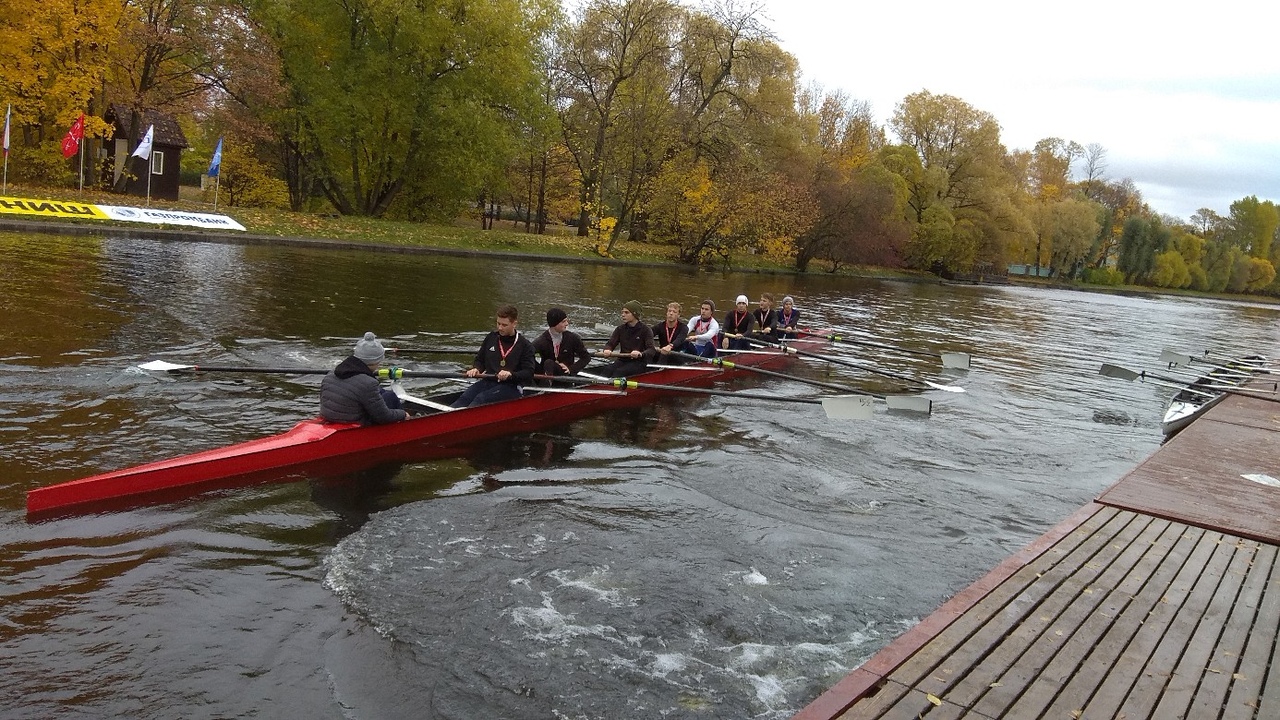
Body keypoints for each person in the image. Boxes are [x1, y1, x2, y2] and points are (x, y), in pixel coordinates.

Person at [451, 305, 537, 408]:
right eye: (498, 323)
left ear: (514, 324)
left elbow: (528, 372)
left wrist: (511, 374)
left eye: (504, 325)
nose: (500, 328)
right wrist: (476, 369)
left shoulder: (525, 346)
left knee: (481, 399)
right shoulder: (491, 338)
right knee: (464, 398)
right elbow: (480, 360)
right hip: (489, 380)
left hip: (512, 386)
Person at [320, 332, 408, 425]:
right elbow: (383, 417)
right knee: (391, 396)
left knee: (381, 391)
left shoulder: (331, 374)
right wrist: (403, 414)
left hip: (329, 417)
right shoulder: (368, 383)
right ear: (376, 361)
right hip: (354, 422)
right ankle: (404, 425)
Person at [531, 307, 592, 377]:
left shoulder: (572, 338)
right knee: (549, 363)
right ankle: (545, 382)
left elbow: (586, 357)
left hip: (565, 376)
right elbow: (527, 355)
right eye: (563, 322)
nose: (567, 324)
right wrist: (540, 371)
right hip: (547, 373)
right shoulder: (542, 341)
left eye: (566, 321)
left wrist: (571, 369)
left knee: (549, 363)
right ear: (554, 324)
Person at [600, 300, 655, 377]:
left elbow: (651, 350)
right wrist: (607, 349)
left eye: (626, 312)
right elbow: (611, 343)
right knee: (607, 370)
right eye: (622, 312)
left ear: (635, 314)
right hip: (623, 360)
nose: (623, 315)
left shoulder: (646, 330)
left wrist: (641, 354)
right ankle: (598, 386)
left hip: (639, 362)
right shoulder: (620, 329)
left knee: (619, 372)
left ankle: (611, 387)